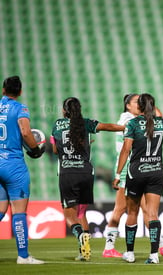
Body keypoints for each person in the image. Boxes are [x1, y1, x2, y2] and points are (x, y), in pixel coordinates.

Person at [103, 93, 163, 258]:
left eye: (140, 102)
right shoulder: (126, 119)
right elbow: (128, 145)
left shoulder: (137, 121)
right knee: (121, 208)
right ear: (127, 106)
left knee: (146, 209)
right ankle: (109, 246)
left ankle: (161, 244)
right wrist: (149, 104)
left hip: (136, 167)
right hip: (128, 167)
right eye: (135, 101)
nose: (138, 104)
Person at [50, 97, 125, 261]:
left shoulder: (57, 125)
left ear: (64, 110)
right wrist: (125, 127)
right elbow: (108, 126)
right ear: (79, 109)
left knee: (70, 216)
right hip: (85, 173)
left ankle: (80, 238)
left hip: (67, 173)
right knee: (81, 213)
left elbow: (56, 150)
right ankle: (85, 251)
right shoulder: (86, 123)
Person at [112, 93, 163, 264]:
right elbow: (159, 114)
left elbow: (126, 150)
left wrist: (117, 174)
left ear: (140, 107)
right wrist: (150, 104)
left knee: (133, 212)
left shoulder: (133, 124)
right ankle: (154, 255)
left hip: (136, 173)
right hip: (156, 172)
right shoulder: (161, 123)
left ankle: (130, 253)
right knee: (152, 214)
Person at [0, 76, 44, 264]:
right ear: (20, 92)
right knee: (18, 211)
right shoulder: (20, 108)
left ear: (3, 90)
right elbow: (26, 132)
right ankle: (23, 256)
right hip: (13, 165)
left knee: (1, 210)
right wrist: (35, 149)